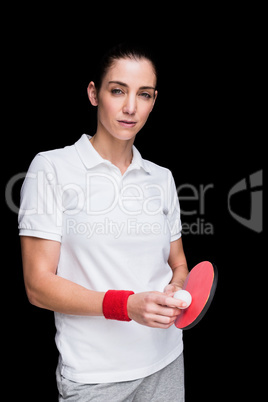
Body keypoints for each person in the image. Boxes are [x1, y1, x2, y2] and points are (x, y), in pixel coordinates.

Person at [19, 42, 188, 401]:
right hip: (96, 377)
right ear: (94, 94)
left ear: (154, 100)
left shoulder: (161, 178)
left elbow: (178, 263)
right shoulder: (51, 168)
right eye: (117, 91)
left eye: (144, 94)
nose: (130, 107)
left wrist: (176, 289)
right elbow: (37, 286)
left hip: (167, 360)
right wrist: (126, 305)